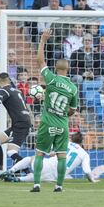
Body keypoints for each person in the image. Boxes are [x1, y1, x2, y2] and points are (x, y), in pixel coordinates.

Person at [31, 28, 78, 193]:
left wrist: (43, 40)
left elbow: (40, 61)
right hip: (63, 125)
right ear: (68, 69)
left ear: (56, 68)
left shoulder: (50, 79)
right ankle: (59, 186)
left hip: (47, 122)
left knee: (40, 154)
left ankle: (36, 184)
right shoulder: (73, 88)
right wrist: (64, 112)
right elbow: (72, 110)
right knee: (61, 156)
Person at [0, 132, 98, 183]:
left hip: (47, 165)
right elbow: (87, 171)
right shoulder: (84, 154)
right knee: (41, 177)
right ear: (81, 143)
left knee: (32, 159)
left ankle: (11, 170)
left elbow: (50, 152)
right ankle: (19, 179)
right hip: (56, 177)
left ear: (71, 138)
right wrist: (92, 180)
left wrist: (52, 152)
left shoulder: (65, 143)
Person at [0, 72, 32, 177]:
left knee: (11, 152)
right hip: (21, 122)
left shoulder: (3, 90)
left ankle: (29, 173)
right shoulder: (17, 90)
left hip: (20, 123)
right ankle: (0, 170)